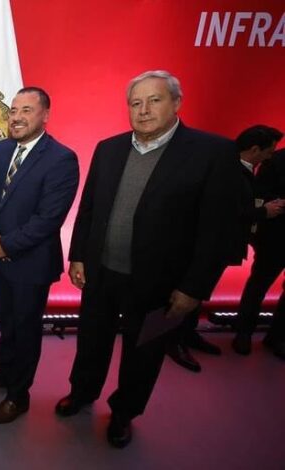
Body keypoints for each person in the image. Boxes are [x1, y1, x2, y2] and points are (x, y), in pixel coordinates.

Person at [57, 71, 238, 448]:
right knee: (91, 341)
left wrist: (194, 288)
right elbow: (88, 209)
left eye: (154, 100)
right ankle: (82, 392)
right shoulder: (108, 148)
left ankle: (124, 412)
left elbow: (217, 231)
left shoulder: (212, 153)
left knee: (144, 352)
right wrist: (78, 256)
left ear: (176, 103)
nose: (143, 110)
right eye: (135, 103)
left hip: (161, 283)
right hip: (101, 272)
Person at [0, 87, 79, 423]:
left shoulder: (61, 159)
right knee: (7, 324)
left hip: (31, 265)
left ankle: (19, 397)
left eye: (26, 110)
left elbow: (48, 219)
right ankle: (6, 374)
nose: (16, 117)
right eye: (14, 110)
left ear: (45, 115)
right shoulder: (0, 150)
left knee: (26, 331)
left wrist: (6, 244)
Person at [168, 125, 283, 372]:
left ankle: (188, 334)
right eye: (269, 151)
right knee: (191, 292)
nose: (270, 156)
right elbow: (226, 212)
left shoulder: (240, 169)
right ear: (255, 149)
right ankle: (175, 341)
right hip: (212, 245)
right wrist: (263, 212)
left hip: (220, 245)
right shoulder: (227, 171)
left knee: (200, 293)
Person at [233, 139, 285, 359]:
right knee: (259, 284)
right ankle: (243, 333)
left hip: (274, 233)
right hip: (275, 236)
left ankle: (278, 336)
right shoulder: (276, 160)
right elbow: (259, 195)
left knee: (258, 284)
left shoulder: (275, 159)